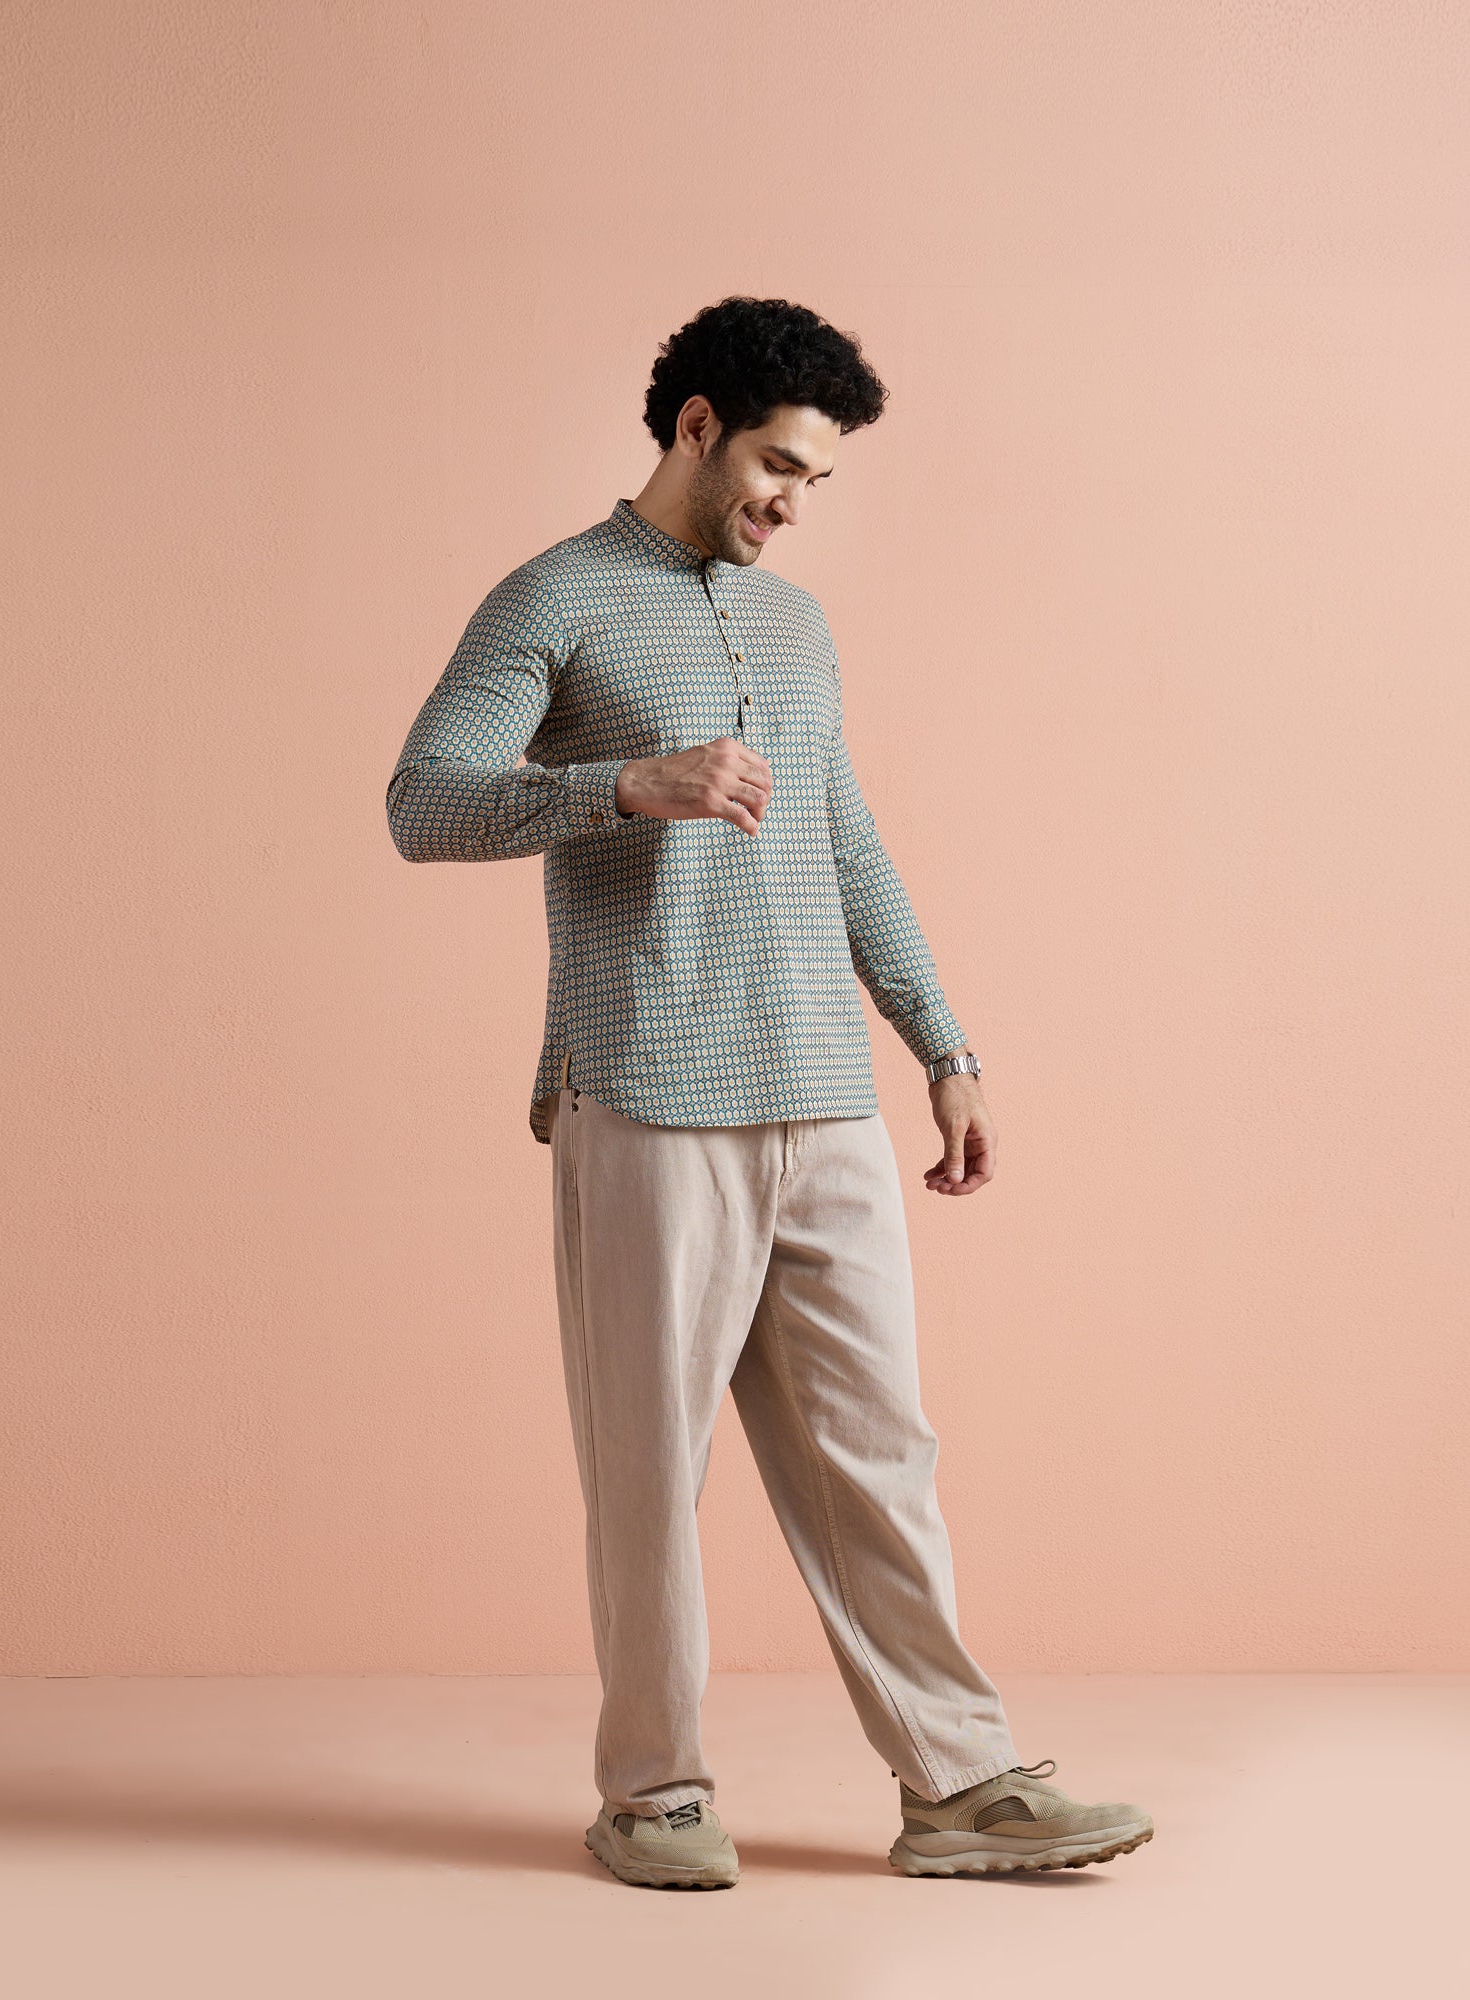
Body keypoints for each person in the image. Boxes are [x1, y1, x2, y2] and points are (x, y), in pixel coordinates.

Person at [384, 296, 1154, 1888]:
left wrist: (944, 1046)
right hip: (647, 1091)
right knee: (649, 1470)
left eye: (817, 480)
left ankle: (959, 1783)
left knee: (883, 1452)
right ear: (696, 427)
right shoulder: (556, 599)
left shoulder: (796, 627)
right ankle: (653, 1794)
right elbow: (422, 803)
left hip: (825, 1095)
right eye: (781, 468)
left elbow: (842, 837)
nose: (796, 505)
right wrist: (622, 784)